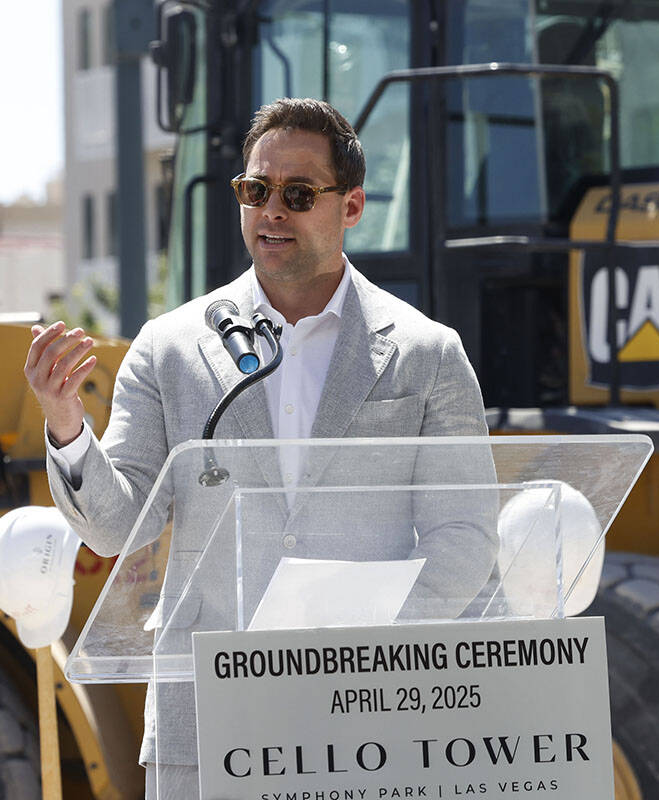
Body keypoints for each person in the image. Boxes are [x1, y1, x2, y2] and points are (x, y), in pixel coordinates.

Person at [25, 97, 496, 799]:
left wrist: (362, 648)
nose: (271, 210)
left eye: (298, 194)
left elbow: (465, 539)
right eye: (255, 190)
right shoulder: (172, 347)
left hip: (372, 727)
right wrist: (66, 423)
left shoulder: (427, 354)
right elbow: (123, 526)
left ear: (352, 206)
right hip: (207, 727)